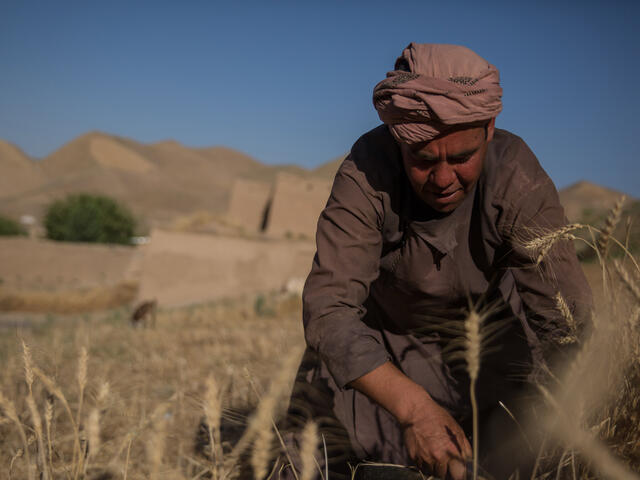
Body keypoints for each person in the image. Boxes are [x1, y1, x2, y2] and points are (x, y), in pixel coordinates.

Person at [280, 43, 592, 480]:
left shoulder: (517, 177)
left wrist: (563, 422)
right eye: (423, 160)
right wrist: (413, 409)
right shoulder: (365, 173)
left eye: (462, 158)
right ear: (397, 139)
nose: (444, 179)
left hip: (490, 360)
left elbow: (566, 323)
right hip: (381, 359)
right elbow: (329, 310)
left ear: (489, 128)